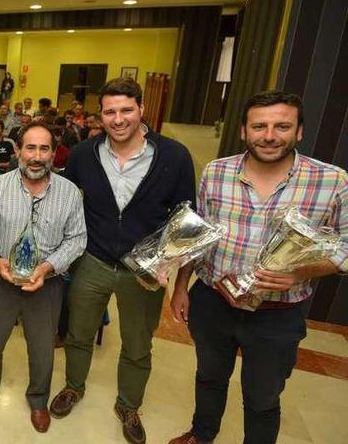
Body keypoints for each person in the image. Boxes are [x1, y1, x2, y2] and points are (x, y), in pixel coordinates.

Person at [167, 91, 348, 444]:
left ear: (298, 132)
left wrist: (299, 272)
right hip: (213, 300)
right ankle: (202, 435)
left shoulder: (332, 181)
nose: (269, 135)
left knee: (263, 397)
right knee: (209, 377)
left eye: (282, 126)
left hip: (277, 313)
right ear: (243, 131)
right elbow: (197, 235)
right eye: (259, 126)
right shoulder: (217, 173)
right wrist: (180, 286)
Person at [53, 77, 196, 444]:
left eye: (126, 110)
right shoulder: (85, 153)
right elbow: (68, 202)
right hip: (92, 262)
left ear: (141, 110)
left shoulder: (174, 156)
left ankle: (129, 405)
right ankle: (73, 387)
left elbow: (186, 219)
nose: (118, 119)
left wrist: (171, 268)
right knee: (79, 333)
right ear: (100, 115)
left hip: (144, 270)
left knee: (137, 344)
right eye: (110, 112)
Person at [0, 121, 86, 433]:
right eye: (30, 148)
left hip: (46, 286)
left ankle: (38, 399)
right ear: (18, 151)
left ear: (53, 153)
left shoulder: (70, 193)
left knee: (41, 348)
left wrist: (47, 267)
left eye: (44, 148)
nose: (37, 156)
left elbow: (77, 239)